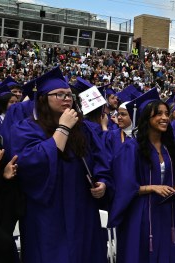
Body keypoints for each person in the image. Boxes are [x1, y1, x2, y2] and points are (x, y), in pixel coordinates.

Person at [11, 66, 112, 262]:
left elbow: (101, 161)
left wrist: (103, 183)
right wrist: (64, 127)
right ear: (42, 99)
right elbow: (31, 164)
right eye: (59, 94)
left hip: (82, 210)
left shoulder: (84, 130)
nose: (67, 99)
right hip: (47, 213)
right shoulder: (26, 129)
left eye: (69, 95)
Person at [108, 89, 175, 262]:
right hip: (142, 214)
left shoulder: (169, 147)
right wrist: (152, 188)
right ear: (146, 119)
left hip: (166, 213)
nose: (164, 117)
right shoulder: (132, 148)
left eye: (166, 113)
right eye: (158, 114)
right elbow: (124, 185)